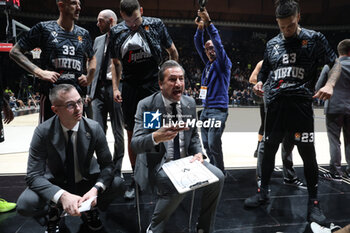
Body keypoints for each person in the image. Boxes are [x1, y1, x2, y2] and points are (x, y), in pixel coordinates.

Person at [244, 0, 341, 225]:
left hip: (300, 105)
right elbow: (265, 71)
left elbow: (334, 63)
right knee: (268, 149)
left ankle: (314, 203)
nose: (286, 31)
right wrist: (259, 83)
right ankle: (263, 192)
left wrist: (330, 85)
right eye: (282, 27)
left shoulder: (315, 38)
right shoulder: (271, 44)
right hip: (276, 105)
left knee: (307, 154)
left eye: (290, 25)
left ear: (298, 17)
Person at [16, 84, 124, 233]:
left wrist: (95, 190)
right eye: (70, 105)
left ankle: (91, 209)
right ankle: (52, 212)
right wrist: (61, 196)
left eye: (79, 102)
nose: (79, 108)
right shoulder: (43, 132)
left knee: (118, 183)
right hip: (57, 183)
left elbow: (107, 166)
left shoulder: (94, 128)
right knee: (25, 204)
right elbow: (33, 176)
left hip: (86, 182)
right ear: (55, 110)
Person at [131, 60, 224, 233]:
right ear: (160, 84)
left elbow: (194, 136)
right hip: (158, 164)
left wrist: (198, 153)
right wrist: (156, 137)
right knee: (176, 183)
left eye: (181, 79)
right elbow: (136, 145)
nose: (179, 84)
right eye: (172, 79)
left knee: (218, 177)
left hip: (185, 163)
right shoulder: (149, 106)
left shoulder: (188, 104)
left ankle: (204, 228)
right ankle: (155, 227)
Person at [109, 0, 178, 198]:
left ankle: (156, 176)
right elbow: (115, 63)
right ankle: (137, 180)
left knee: (154, 131)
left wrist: (171, 80)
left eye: (136, 21)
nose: (133, 25)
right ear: (122, 16)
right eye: (128, 22)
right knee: (132, 134)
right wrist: (115, 87)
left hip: (151, 86)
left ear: (142, 11)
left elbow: (172, 52)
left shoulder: (155, 24)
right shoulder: (116, 32)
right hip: (130, 87)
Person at [9, 0, 96, 123]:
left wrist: (89, 77)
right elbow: (15, 52)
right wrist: (39, 72)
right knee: (50, 138)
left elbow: (92, 57)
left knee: (76, 138)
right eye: (73, 3)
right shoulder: (44, 28)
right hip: (52, 95)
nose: (79, 8)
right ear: (61, 5)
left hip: (76, 96)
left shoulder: (84, 34)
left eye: (79, 4)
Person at [250, 60, 306, 189]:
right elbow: (253, 79)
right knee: (268, 139)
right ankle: (262, 178)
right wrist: (268, 86)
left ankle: (289, 177)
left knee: (289, 140)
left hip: (290, 101)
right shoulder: (265, 62)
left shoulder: (293, 60)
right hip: (272, 101)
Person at [193, 8, 231, 172]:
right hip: (206, 110)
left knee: (214, 144)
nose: (210, 50)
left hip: (218, 110)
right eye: (207, 48)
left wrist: (208, 23)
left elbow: (216, 40)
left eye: (212, 47)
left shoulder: (222, 64)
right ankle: (214, 170)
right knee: (207, 145)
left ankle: (220, 173)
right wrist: (200, 29)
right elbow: (197, 44)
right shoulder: (208, 64)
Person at [90, 9, 125, 174]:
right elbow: (92, 66)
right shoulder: (97, 40)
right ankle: (105, 168)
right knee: (97, 130)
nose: (97, 24)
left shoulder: (124, 36)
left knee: (118, 132)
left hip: (116, 88)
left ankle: (117, 170)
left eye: (100, 21)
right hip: (98, 90)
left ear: (110, 20)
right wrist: (89, 92)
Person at [316, 39, 350, 182]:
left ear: (339, 51)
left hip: (334, 107)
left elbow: (318, 87)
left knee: (334, 141)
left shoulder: (330, 66)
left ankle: (336, 173)